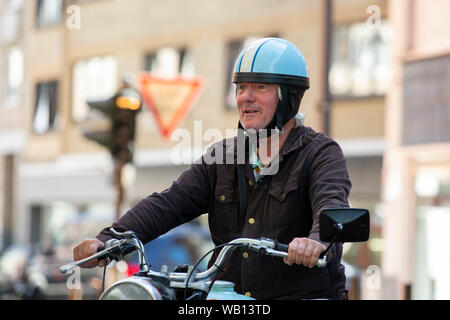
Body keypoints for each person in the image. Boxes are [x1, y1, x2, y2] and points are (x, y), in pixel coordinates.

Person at [73, 37, 352, 300]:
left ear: (289, 97)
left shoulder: (320, 154)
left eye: (261, 87)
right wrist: (109, 238)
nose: (246, 97)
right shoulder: (223, 157)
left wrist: (315, 241)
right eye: (242, 87)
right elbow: (169, 203)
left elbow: (331, 205)